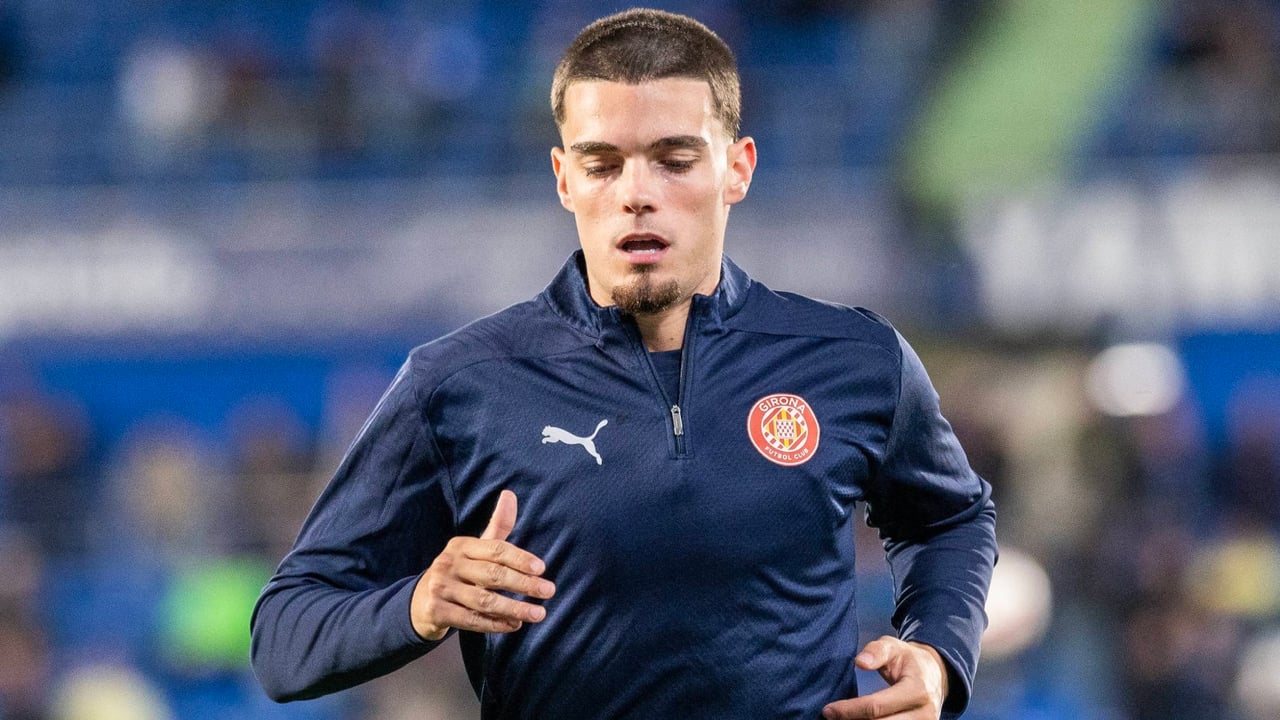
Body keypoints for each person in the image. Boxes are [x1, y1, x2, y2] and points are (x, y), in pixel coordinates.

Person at [250, 8, 997, 720]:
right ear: (563, 178)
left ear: (737, 169)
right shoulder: (457, 385)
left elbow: (952, 518)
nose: (637, 195)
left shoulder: (854, 359)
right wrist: (417, 604)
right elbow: (285, 633)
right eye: (602, 165)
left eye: (674, 161)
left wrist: (937, 654)